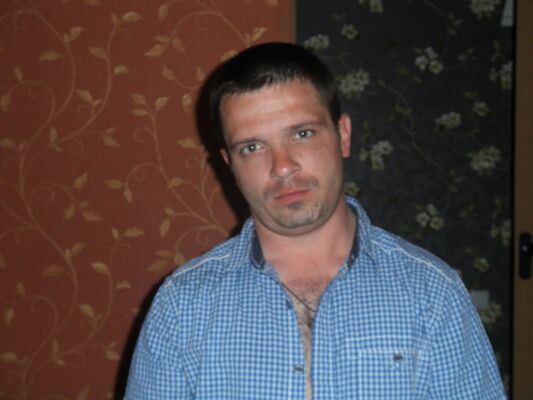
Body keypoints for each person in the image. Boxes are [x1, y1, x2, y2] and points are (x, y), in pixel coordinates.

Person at [124, 42, 506, 399]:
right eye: (252, 147)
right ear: (230, 165)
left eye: (302, 133)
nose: (282, 166)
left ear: (343, 135)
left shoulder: (433, 292)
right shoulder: (182, 306)